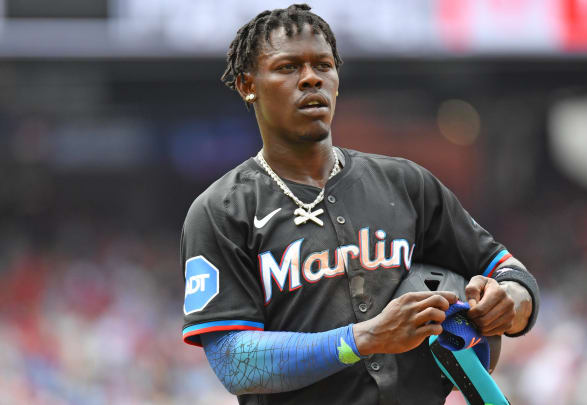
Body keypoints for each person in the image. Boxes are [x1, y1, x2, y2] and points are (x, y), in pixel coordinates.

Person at [180, 4, 539, 405]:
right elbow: (234, 363)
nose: (311, 78)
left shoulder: (406, 183)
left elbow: (507, 270)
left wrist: (512, 303)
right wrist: (362, 339)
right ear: (249, 84)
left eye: (323, 65)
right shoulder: (221, 210)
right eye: (287, 67)